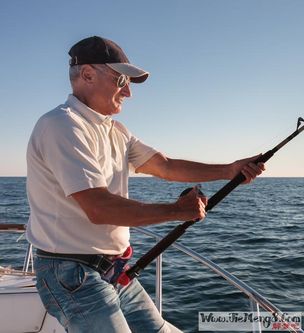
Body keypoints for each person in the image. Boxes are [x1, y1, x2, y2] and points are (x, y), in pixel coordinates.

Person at [25, 36, 265, 333]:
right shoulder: (62, 125)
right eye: (121, 79)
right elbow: (98, 208)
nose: (128, 92)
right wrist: (177, 211)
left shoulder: (116, 130)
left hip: (114, 270)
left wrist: (229, 170)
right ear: (87, 74)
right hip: (71, 274)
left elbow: (165, 166)